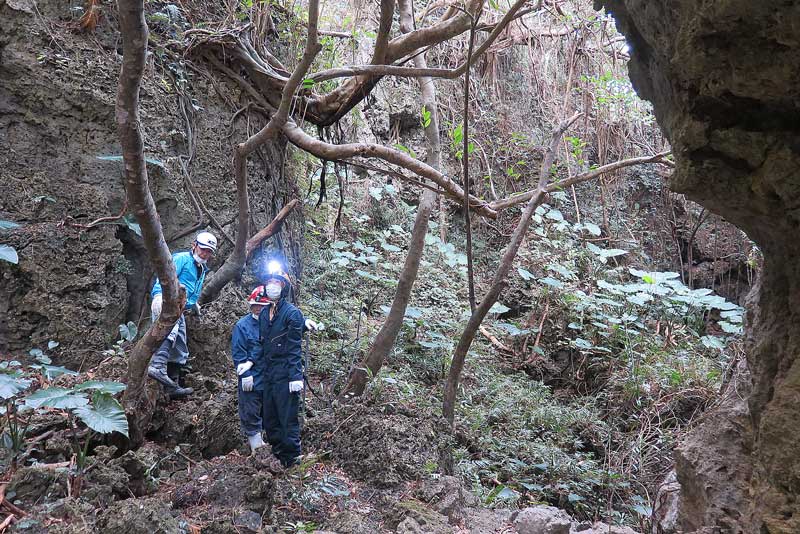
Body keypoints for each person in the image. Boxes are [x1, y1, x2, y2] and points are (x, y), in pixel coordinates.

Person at [148, 231, 217, 398]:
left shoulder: (201, 269)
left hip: (181, 307)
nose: (205, 253)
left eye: (209, 251)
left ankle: (172, 385)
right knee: (169, 332)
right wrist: (167, 300)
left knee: (180, 345)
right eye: (203, 249)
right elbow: (165, 279)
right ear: (194, 245)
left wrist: (194, 306)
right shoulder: (181, 259)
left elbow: (191, 292)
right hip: (166, 301)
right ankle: (157, 366)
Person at [258, 260, 310, 467]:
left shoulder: (292, 313)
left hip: (285, 373)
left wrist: (295, 377)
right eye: (269, 282)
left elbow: (294, 347)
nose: (272, 285)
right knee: (269, 415)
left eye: (277, 282)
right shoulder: (263, 314)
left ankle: (292, 457)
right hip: (268, 372)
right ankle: (277, 453)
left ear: (284, 286)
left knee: (286, 415)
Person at [231, 286, 270, 452]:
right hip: (252, 378)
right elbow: (239, 353)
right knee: (251, 411)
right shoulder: (242, 326)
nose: (258, 308)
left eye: (261, 306)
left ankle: (270, 446)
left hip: (271, 378)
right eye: (255, 305)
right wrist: (245, 374)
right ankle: (257, 450)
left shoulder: (274, 325)